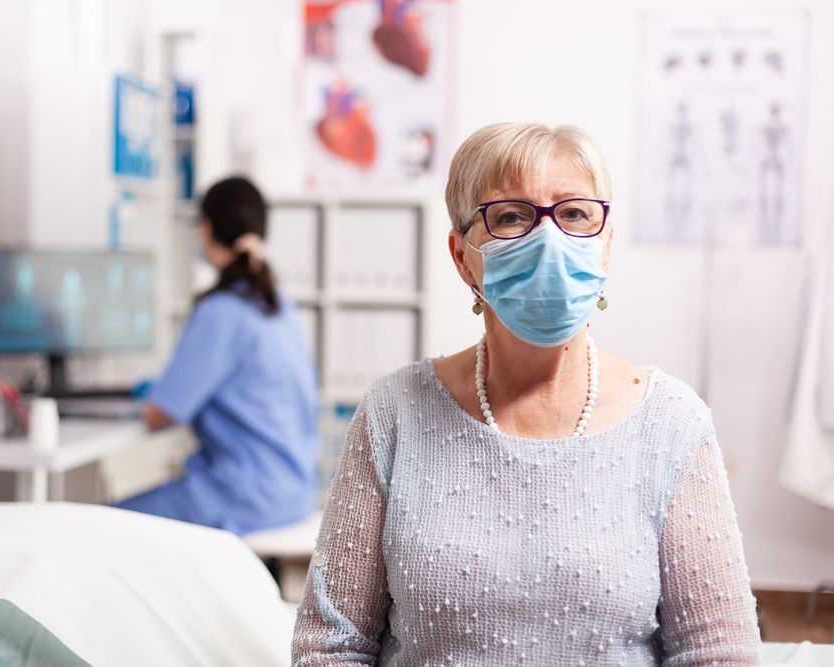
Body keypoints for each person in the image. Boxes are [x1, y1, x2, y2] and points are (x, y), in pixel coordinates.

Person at [291, 123, 761, 664]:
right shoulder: (394, 414)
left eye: (575, 214)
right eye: (511, 217)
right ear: (462, 255)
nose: (549, 240)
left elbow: (720, 654)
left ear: (605, 245)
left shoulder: (673, 424)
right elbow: (330, 647)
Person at [116, 176, 320, 536]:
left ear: (207, 228)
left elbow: (161, 414)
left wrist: (147, 395)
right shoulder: (277, 306)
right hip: (296, 490)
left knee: (100, 523)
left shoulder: (221, 310)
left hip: (245, 494)